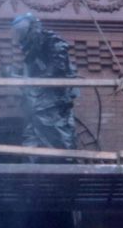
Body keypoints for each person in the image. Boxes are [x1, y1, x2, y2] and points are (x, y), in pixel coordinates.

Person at [6, 12, 79, 153]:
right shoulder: (32, 49)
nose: (19, 37)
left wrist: (43, 79)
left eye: (19, 32)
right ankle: (35, 164)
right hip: (39, 100)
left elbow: (59, 64)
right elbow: (34, 72)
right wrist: (15, 74)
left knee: (54, 129)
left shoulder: (48, 40)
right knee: (33, 133)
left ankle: (63, 162)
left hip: (52, 99)